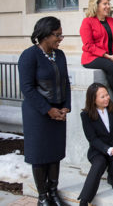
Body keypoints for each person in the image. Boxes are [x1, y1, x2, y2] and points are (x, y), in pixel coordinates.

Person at [18, 16, 71, 206]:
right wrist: (48, 110)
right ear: (45, 35)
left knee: (55, 152)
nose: (60, 39)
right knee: (40, 155)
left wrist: (65, 107)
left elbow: (65, 82)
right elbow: (27, 88)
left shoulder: (61, 55)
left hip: (58, 112)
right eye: (57, 35)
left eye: (61, 35)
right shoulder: (29, 55)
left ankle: (53, 192)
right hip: (37, 114)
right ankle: (42, 197)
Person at [78, 83, 113, 206]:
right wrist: (109, 150)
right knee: (99, 163)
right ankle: (84, 200)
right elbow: (92, 139)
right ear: (93, 99)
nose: (107, 98)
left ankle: (112, 176)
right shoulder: (86, 115)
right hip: (98, 150)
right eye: (102, 97)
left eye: (107, 95)